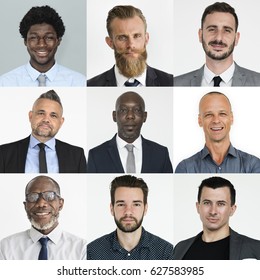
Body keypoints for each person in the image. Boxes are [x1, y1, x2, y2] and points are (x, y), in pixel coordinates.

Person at [87, 175, 173, 260]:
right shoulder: (92, 252)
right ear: (112, 209)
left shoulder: (165, 253)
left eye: (136, 204)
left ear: (145, 209)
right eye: (121, 204)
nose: (128, 211)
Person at [0, 175, 87, 260]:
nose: (41, 204)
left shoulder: (81, 248)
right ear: (25, 205)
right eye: (32, 197)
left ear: (60, 204)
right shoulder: (6, 247)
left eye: (49, 196)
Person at [174, 2, 260, 86]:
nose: (219, 38)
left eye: (227, 30)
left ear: (236, 38)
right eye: (212, 29)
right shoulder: (176, 84)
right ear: (200, 35)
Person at [173, 176, 260, 260]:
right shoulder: (180, 249)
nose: (213, 211)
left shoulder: (255, 249)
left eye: (221, 204)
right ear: (198, 207)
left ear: (232, 209)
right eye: (207, 203)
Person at [0, 90, 87, 173]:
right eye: (41, 113)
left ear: (61, 122)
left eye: (53, 115)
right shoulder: (4, 153)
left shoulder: (76, 155)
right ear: (31, 116)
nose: (46, 119)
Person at [87, 91, 173, 173]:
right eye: (123, 110)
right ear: (114, 116)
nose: (130, 116)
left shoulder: (161, 154)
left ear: (145, 117)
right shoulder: (96, 155)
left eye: (137, 110)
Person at [87, 5, 173, 86]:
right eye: (122, 38)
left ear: (146, 39)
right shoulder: (91, 86)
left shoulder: (170, 83)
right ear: (110, 42)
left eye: (137, 36)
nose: (131, 45)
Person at [0, 5, 86, 86]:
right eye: (34, 37)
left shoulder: (78, 82)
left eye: (49, 38)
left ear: (58, 41)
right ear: (25, 41)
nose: (41, 44)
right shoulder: (5, 83)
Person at [175, 91, 260, 173]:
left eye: (222, 114)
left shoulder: (253, 165)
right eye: (209, 115)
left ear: (231, 118)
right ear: (200, 120)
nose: (216, 120)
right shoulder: (185, 168)